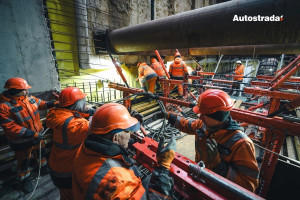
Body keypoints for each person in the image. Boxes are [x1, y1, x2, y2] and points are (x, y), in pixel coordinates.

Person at [156, 89, 259, 192]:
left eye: (204, 114)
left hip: (218, 190)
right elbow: (187, 125)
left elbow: (249, 186)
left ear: (217, 117)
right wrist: (170, 117)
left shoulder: (242, 144)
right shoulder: (204, 125)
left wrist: (219, 166)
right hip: (200, 176)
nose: (200, 117)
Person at [72, 103, 176, 199]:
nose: (131, 134)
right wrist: (163, 168)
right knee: (150, 179)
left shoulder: (85, 148)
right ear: (115, 138)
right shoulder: (116, 178)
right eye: (127, 131)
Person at [0, 77, 57, 193]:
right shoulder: (4, 107)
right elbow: (10, 127)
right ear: (15, 90)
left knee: (40, 152)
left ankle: (43, 166)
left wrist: (55, 103)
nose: (27, 91)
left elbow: (42, 104)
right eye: (24, 89)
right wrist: (32, 134)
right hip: (22, 141)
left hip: (38, 135)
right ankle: (24, 179)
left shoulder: (28, 98)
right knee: (24, 160)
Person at [46, 87, 95, 199]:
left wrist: (87, 112)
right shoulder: (77, 125)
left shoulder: (56, 113)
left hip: (57, 166)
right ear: (78, 104)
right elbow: (97, 126)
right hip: (68, 172)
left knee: (65, 196)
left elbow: (74, 113)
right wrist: (94, 114)